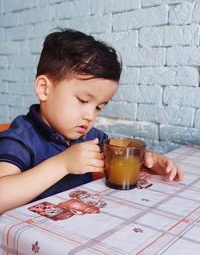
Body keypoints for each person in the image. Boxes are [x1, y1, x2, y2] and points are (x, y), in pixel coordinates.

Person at [0, 29, 183, 214]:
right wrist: (62, 164)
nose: (90, 116)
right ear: (44, 89)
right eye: (83, 100)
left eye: (98, 107)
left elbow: (118, 154)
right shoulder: (19, 139)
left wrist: (147, 159)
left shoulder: (88, 136)